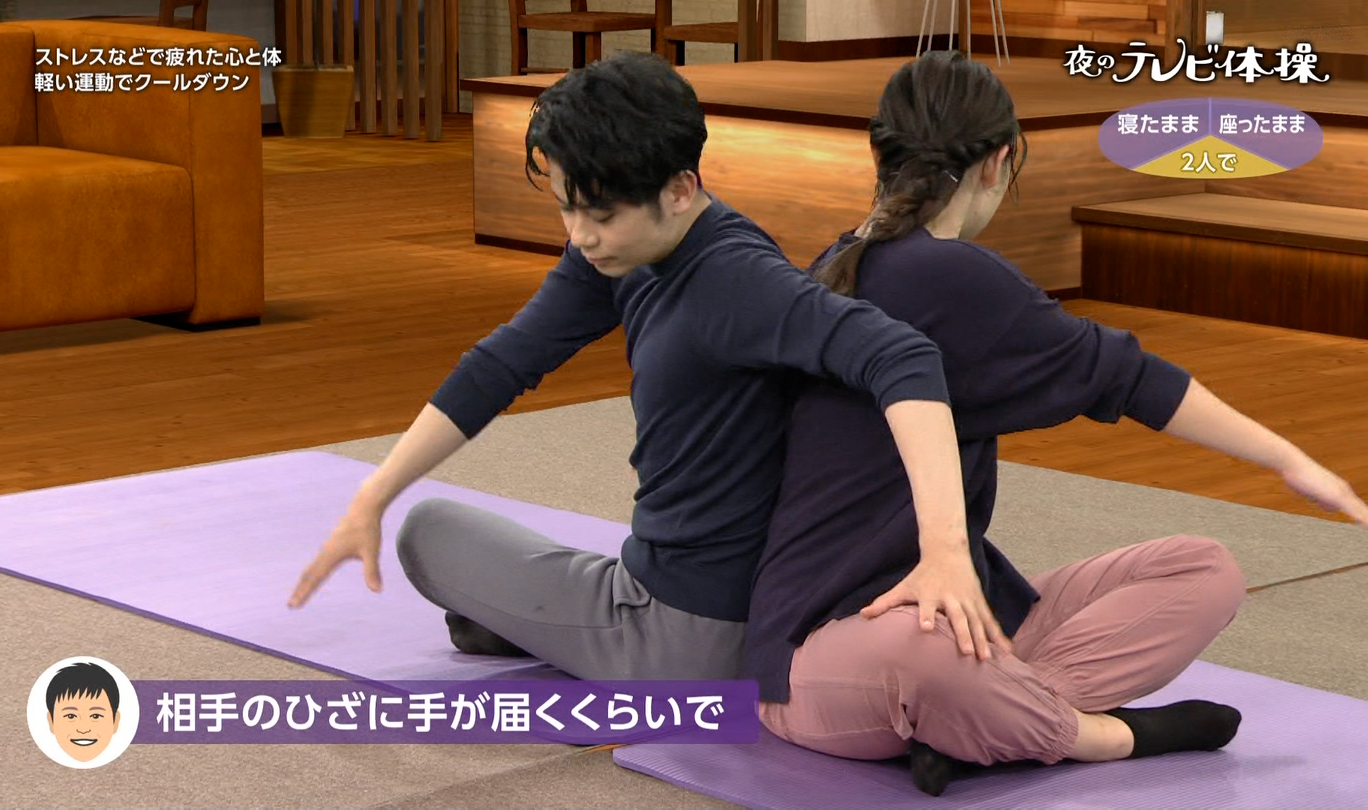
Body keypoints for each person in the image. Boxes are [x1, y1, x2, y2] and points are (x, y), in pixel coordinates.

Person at [744, 51, 1368, 796]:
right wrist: (1292, 460)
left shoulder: (842, 259)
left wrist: (1288, 460)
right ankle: (1100, 735)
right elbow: (1132, 378)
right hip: (823, 660)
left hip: (966, 616)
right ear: (999, 162)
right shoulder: (938, 273)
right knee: (924, 653)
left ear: (881, 155)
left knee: (1200, 568)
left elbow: (1122, 374)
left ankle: (989, 725)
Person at [286, 51, 1005, 682]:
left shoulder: (739, 279)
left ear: (680, 189)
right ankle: (524, 622)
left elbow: (904, 356)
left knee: (429, 532)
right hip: (681, 594)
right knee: (461, 537)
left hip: (684, 635)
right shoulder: (621, 251)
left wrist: (944, 552)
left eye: (601, 215)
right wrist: (372, 495)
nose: (581, 235)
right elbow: (503, 362)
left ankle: (538, 629)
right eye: (567, 209)